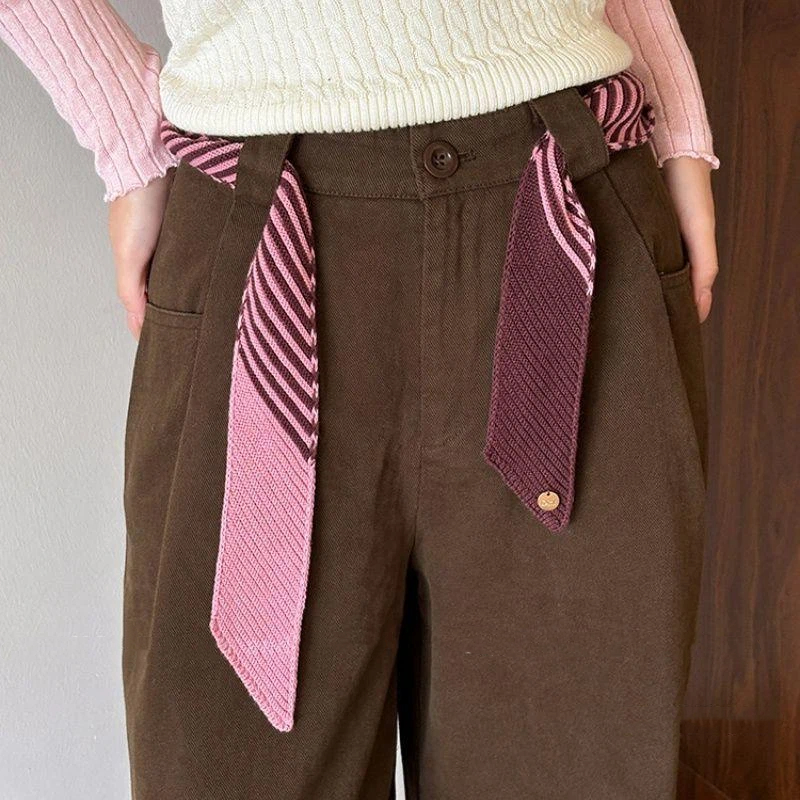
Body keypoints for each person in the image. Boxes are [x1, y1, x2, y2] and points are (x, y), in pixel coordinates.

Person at [1, 1, 719, 798]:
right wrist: (126, 134)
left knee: (571, 763)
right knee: (243, 764)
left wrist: (674, 116)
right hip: (264, 235)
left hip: (569, 209)